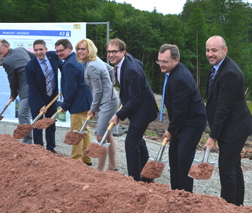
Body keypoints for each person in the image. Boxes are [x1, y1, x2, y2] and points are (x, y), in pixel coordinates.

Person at [204, 35, 252, 206]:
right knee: (233, 166)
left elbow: (223, 109)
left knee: (227, 168)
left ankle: (227, 206)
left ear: (224, 51)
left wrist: (212, 137)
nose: (210, 54)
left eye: (214, 50)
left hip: (235, 128)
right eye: (208, 50)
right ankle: (237, 205)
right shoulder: (217, 68)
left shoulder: (230, 73)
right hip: (231, 126)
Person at [157, 44, 207, 193]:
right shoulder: (172, 72)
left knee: (183, 159)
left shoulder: (180, 79)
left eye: (165, 61)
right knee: (174, 157)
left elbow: (180, 111)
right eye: (159, 61)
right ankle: (175, 193)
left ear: (176, 60)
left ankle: (185, 196)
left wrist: (170, 130)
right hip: (182, 121)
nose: (161, 64)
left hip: (192, 123)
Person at [108, 38, 159, 182]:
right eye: (109, 52)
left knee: (130, 143)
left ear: (123, 52)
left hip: (143, 110)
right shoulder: (127, 60)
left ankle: (134, 179)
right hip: (139, 107)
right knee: (138, 141)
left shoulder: (130, 70)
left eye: (115, 52)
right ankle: (147, 176)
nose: (111, 55)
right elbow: (139, 63)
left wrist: (118, 115)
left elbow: (135, 99)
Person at [76, 38, 119, 171]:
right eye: (78, 49)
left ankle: (99, 170)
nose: (80, 51)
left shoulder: (92, 66)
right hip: (108, 99)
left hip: (107, 102)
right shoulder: (94, 61)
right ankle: (112, 166)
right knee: (107, 134)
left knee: (100, 136)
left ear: (90, 50)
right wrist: (111, 86)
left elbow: (98, 91)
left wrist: (92, 109)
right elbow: (112, 70)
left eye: (83, 49)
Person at [55, 39, 93, 165]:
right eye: (57, 51)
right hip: (86, 101)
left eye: (61, 50)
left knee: (76, 131)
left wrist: (65, 105)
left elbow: (71, 88)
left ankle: (76, 160)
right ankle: (87, 159)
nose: (59, 53)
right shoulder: (76, 60)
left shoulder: (69, 64)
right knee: (85, 130)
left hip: (78, 102)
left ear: (69, 49)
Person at [24, 40, 63, 153]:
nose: (38, 52)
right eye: (36, 50)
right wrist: (41, 104)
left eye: (41, 49)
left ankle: (51, 148)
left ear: (46, 49)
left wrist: (66, 84)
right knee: (38, 125)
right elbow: (33, 87)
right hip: (37, 99)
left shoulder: (53, 56)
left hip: (52, 97)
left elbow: (62, 67)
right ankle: (39, 148)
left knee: (50, 123)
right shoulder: (30, 66)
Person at [0, 39, 34, 144]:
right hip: (34, 86)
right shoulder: (21, 49)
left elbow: (12, 80)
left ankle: (27, 141)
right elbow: (35, 58)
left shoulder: (7, 62)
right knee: (30, 113)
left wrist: (13, 94)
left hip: (28, 89)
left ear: (7, 46)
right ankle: (34, 141)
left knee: (22, 113)